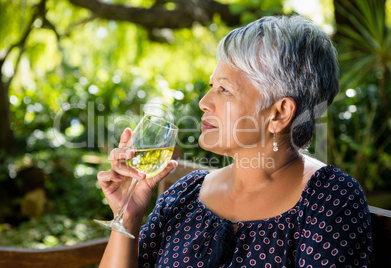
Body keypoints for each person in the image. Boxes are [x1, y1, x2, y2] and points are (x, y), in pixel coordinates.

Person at [97, 15, 372, 267]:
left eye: (224, 90)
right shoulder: (185, 195)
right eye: (211, 86)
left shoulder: (329, 200)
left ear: (279, 113)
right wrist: (129, 216)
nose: (204, 103)